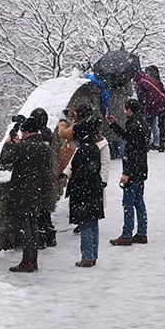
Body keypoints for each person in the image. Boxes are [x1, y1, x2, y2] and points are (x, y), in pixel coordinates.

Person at [0, 113, 57, 273]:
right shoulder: (44, 147)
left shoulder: (23, 147)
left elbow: (4, 161)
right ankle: (33, 259)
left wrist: (9, 144)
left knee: (25, 227)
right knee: (33, 225)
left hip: (23, 192)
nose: (22, 135)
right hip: (38, 191)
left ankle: (27, 261)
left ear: (28, 132)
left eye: (23, 132)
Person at [66, 106, 107, 267]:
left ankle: (87, 256)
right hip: (94, 190)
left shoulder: (83, 150)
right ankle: (93, 254)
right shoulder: (93, 147)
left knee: (86, 224)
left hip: (84, 191)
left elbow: (78, 171)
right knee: (93, 223)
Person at [114, 99, 151, 246]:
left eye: (126, 109)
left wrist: (126, 172)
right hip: (141, 169)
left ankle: (127, 234)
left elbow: (132, 150)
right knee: (139, 202)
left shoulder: (134, 125)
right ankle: (142, 233)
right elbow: (131, 140)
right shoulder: (142, 123)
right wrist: (114, 125)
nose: (124, 111)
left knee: (128, 203)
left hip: (133, 170)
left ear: (131, 109)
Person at [136, 65, 165, 152]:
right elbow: (163, 91)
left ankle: (146, 144)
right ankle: (161, 144)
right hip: (163, 105)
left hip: (152, 106)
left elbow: (141, 97)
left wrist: (141, 107)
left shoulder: (140, 82)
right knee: (161, 125)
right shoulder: (154, 80)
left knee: (147, 124)